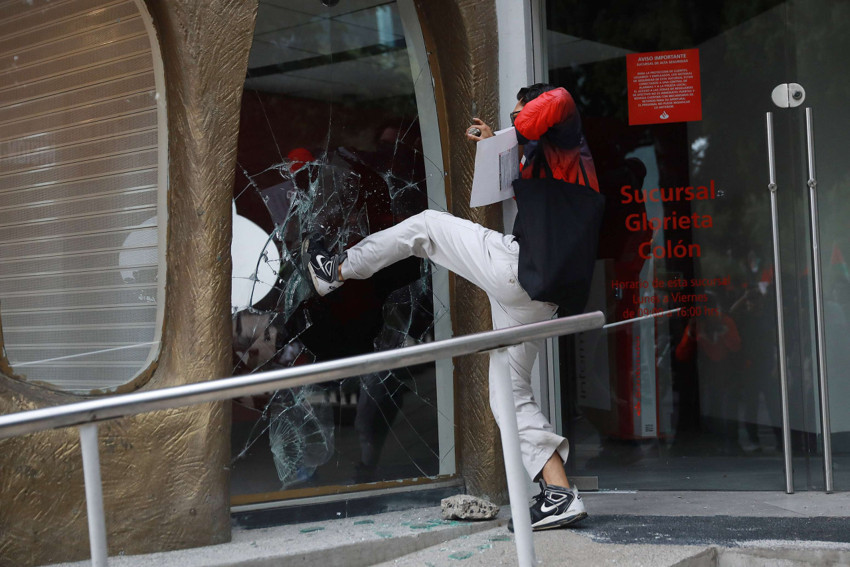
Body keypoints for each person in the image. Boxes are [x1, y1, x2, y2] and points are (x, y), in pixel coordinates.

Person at [301, 84, 598, 531]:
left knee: (426, 226)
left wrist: (515, 126)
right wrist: (496, 142)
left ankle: (335, 270)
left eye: (521, 111)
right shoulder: (554, 161)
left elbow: (554, 103)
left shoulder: (565, 130)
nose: (519, 120)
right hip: (539, 297)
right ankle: (558, 494)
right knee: (508, 394)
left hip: (521, 271)